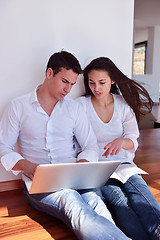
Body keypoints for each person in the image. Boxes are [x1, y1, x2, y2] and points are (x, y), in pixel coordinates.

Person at [0, 51, 131, 240]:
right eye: (64, 81)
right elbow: (3, 147)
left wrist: (83, 163)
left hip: (76, 177)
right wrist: (27, 166)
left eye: (72, 84)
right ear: (49, 73)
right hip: (40, 183)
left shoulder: (74, 108)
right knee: (73, 204)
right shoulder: (17, 107)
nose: (68, 89)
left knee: (97, 203)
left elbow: (90, 145)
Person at [77, 56, 160, 240]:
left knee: (139, 192)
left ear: (112, 80)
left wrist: (121, 142)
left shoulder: (122, 105)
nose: (96, 88)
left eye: (101, 82)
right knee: (119, 202)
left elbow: (133, 139)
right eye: (92, 83)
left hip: (123, 165)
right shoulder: (80, 106)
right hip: (98, 168)